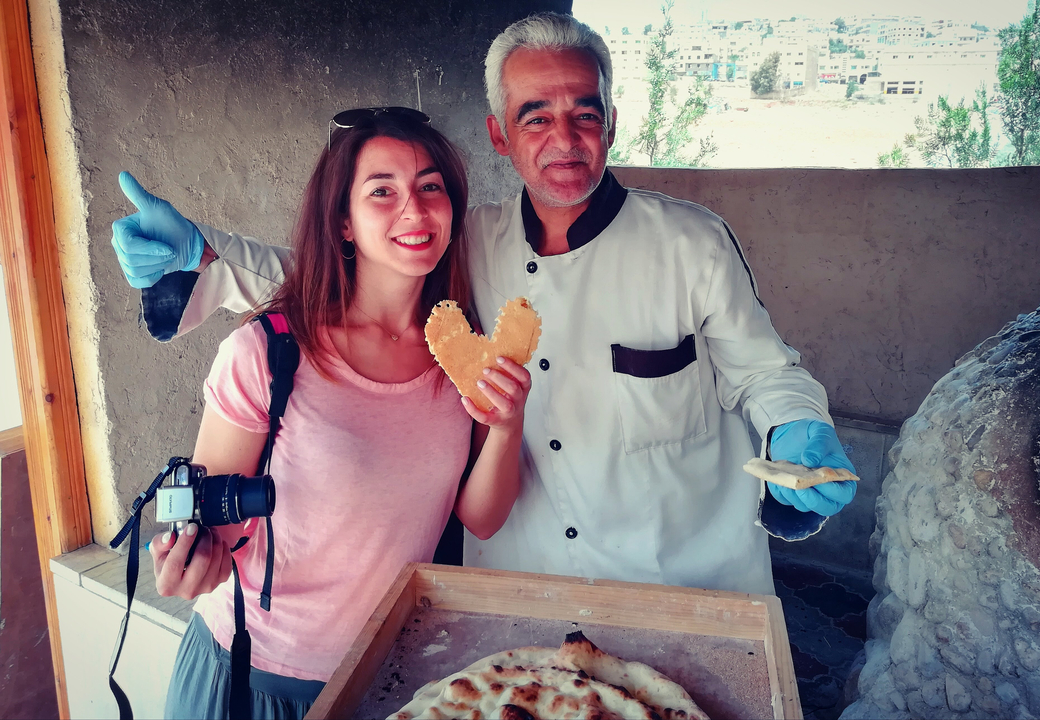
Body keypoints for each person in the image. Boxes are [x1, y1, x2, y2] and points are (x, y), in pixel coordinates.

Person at [113, 13, 856, 600]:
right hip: (524, 586)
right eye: (534, 117)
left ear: (611, 123)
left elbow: (764, 374)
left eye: (583, 114)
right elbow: (347, 278)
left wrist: (797, 429)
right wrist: (205, 254)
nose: (562, 139)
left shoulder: (693, 243)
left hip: (676, 578)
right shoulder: (470, 242)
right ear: (500, 135)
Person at [141, 109, 531, 719]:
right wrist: (189, 561)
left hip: (390, 680)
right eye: (383, 191)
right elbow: (207, 522)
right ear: (343, 223)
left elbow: (480, 518)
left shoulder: (461, 353)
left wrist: (507, 423)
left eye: (431, 187)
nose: (415, 209)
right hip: (254, 679)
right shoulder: (268, 352)